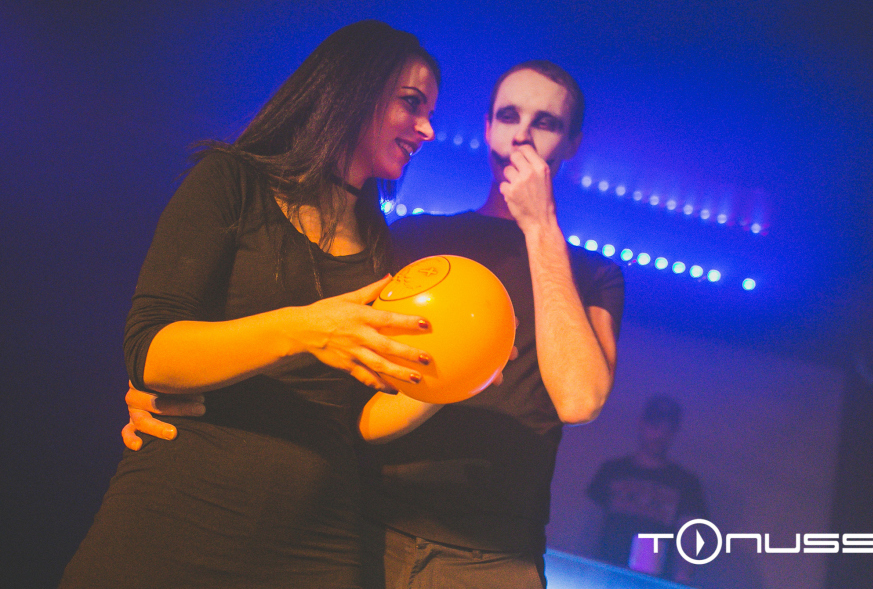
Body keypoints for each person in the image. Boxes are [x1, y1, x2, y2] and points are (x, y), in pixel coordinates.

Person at [125, 60, 625, 588]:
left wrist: (540, 225)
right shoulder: (413, 237)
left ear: (572, 144)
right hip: (362, 525)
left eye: (545, 123)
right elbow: (318, 360)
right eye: (508, 116)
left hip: (492, 555)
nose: (521, 134)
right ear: (486, 127)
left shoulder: (594, 274)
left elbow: (580, 399)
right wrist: (169, 381)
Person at [59, 20, 444, 589]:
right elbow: (150, 354)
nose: (428, 130)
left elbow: (357, 419)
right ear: (354, 87)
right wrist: (302, 329)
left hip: (315, 545)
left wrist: (454, 378)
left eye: (430, 112)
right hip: (175, 520)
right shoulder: (232, 181)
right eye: (411, 104)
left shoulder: (382, 247)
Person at [586, 394, 707, 583]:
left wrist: (683, 578)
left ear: (674, 433)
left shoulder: (686, 483)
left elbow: (689, 539)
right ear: (641, 424)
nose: (659, 436)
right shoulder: (612, 471)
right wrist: (584, 569)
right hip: (604, 575)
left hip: (653, 581)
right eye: (655, 427)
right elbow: (588, 525)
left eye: (667, 430)